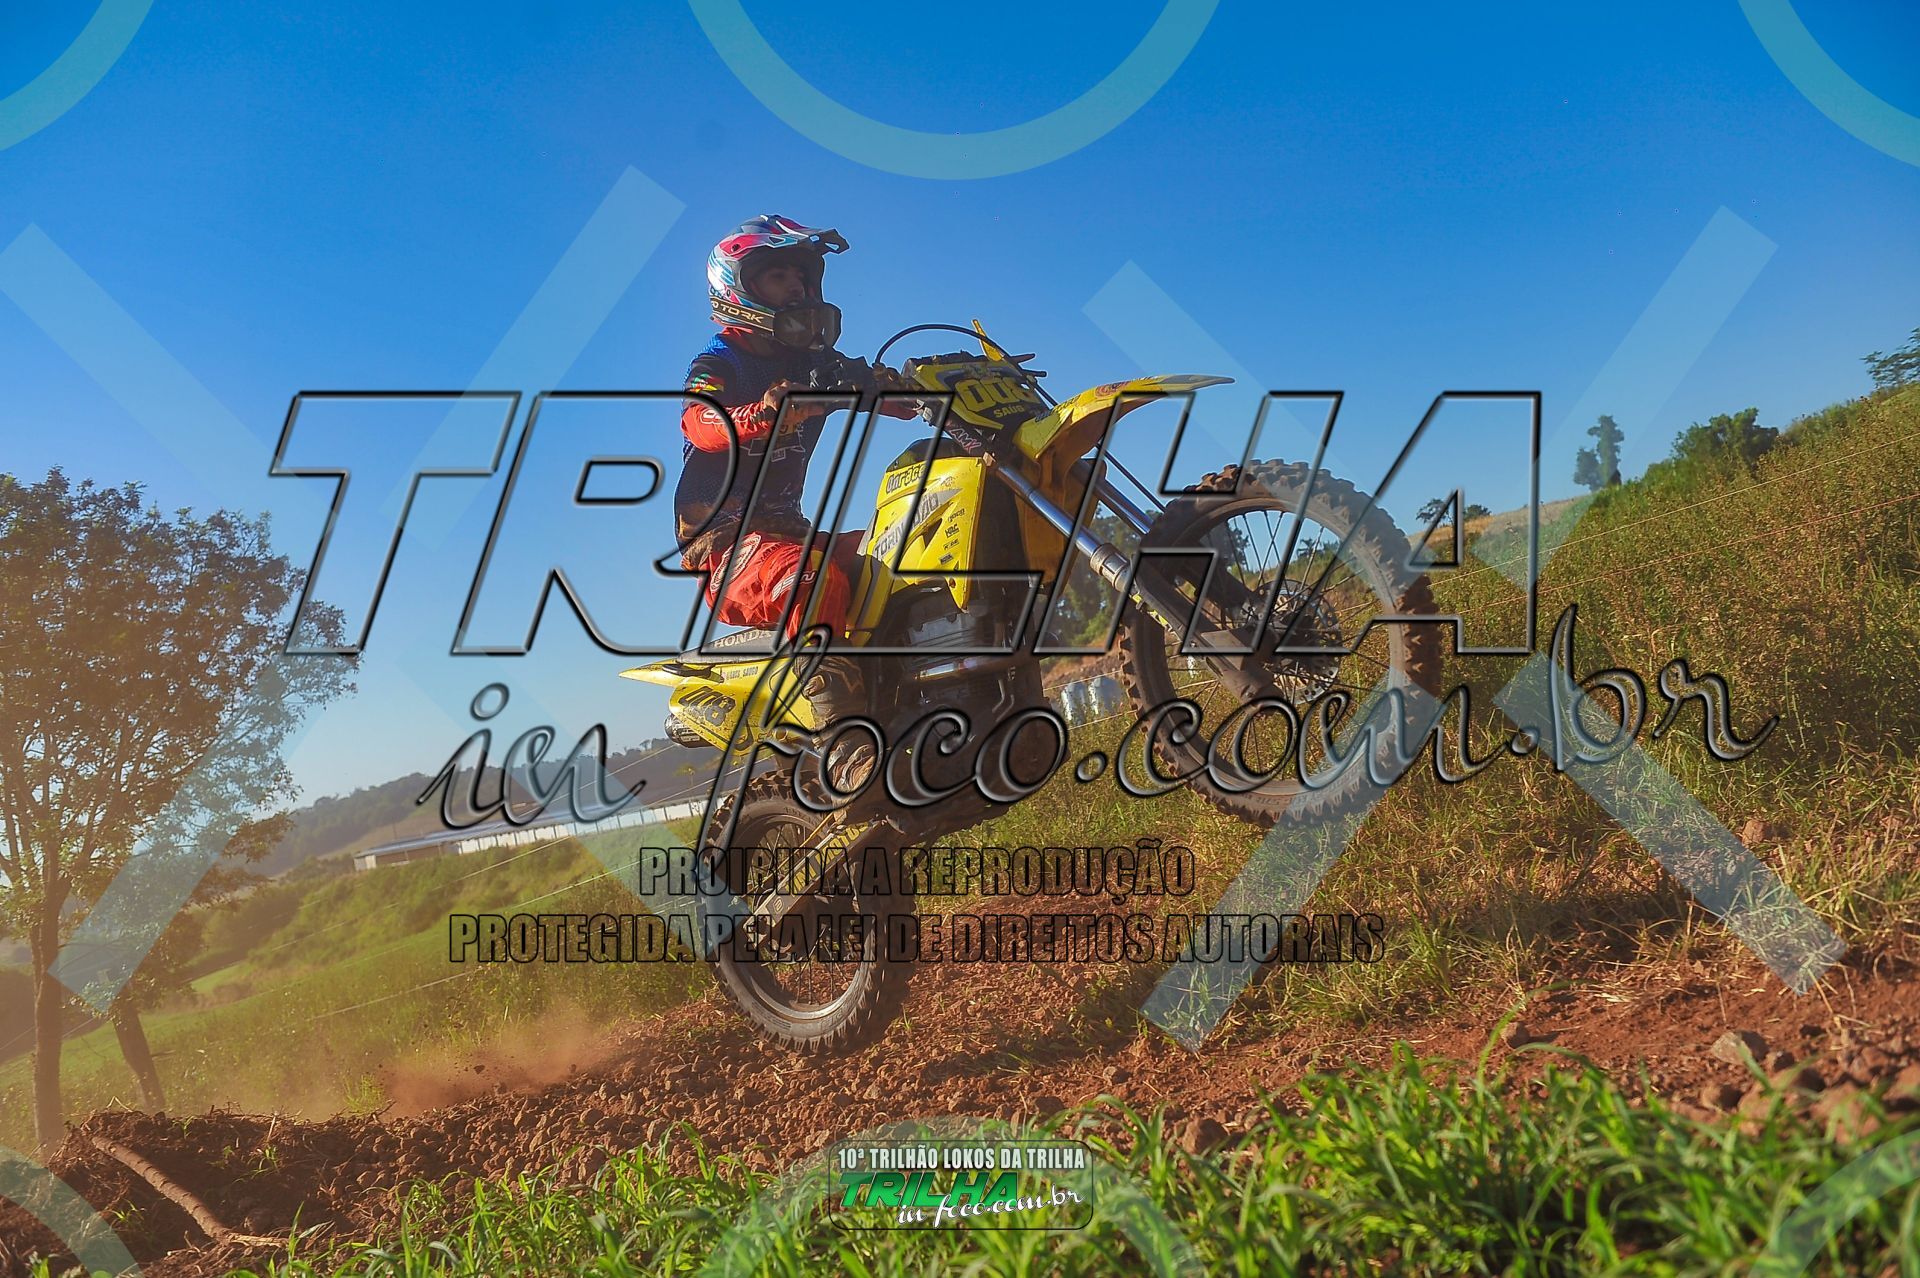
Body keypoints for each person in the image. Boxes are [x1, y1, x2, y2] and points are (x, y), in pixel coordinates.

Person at [674, 214, 915, 731]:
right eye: (778, 275)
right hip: (724, 548)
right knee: (810, 575)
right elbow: (698, 422)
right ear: (739, 286)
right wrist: (762, 414)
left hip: (789, 532)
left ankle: (913, 694)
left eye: (802, 277)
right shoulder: (720, 360)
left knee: (902, 553)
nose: (797, 287)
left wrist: (923, 387)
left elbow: (886, 397)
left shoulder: (812, 363)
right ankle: (842, 737)